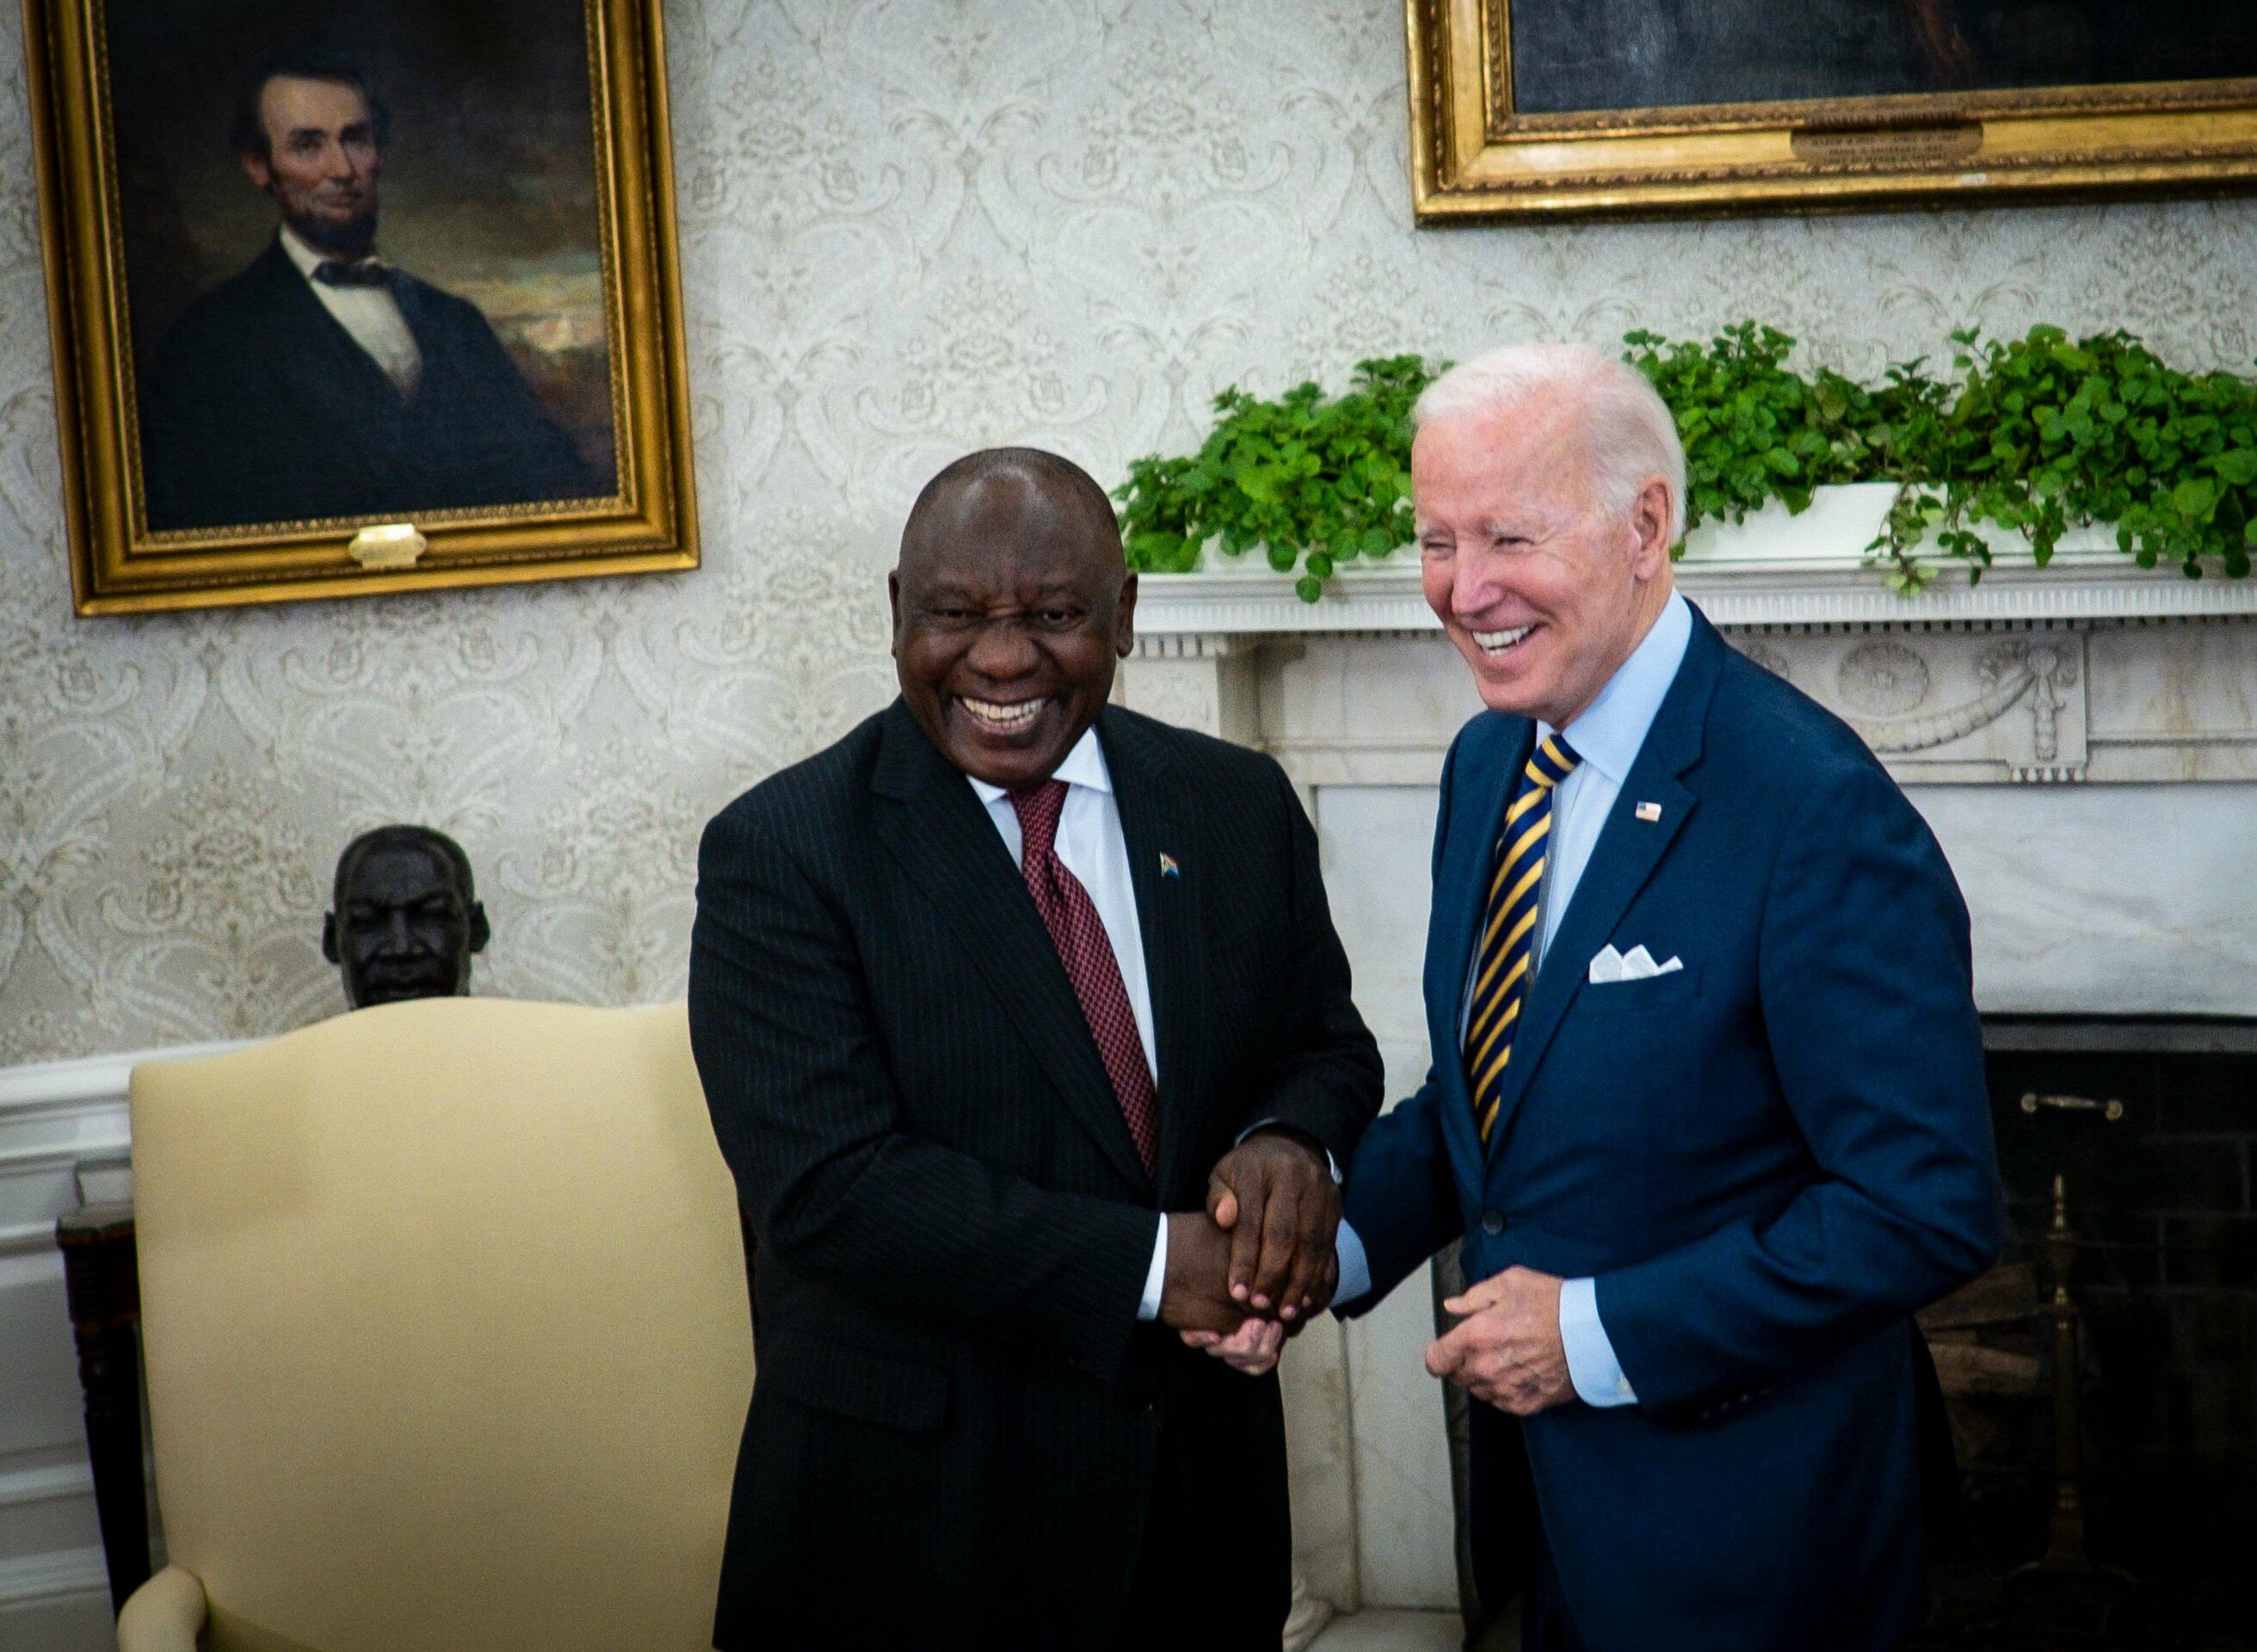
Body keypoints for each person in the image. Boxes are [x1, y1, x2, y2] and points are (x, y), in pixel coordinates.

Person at [1323, 344, 2003, 1649]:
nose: (1465, 591)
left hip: (1759, 1544)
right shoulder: (1489, 766)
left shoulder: (1813, 807)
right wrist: (1316, 1250)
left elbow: (1925, 1206)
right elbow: (1491, 1103)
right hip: (1559, 1534)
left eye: (1510, 535)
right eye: (1435, 540)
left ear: (1647, 526)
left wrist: (1592, 1331)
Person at [687, 448, 1383, 1649]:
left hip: (1197, 1518)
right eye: (956, 615)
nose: (1002, 659)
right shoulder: (785, 852)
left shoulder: (1235, 803)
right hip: (920, 1540)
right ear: (897, 612)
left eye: (1053, 615)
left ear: (1122, 615)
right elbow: (830, 1190)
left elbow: (1325, 1045)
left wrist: (1288, 1142)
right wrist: (1165, 1268)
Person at [140, 44, 601, 532]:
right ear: (260, 167)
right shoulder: (207, 341)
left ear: (378, 152)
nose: (341, 170)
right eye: (308, 146)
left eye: (355, 139)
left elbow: (553, 480)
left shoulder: (455, 321)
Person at [322, 824, 490, 1008]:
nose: (400, 949)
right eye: (367, 921)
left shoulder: (522, 1036)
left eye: (431, 916)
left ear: (476, 929)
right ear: (332, 940)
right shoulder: (297, 1038)